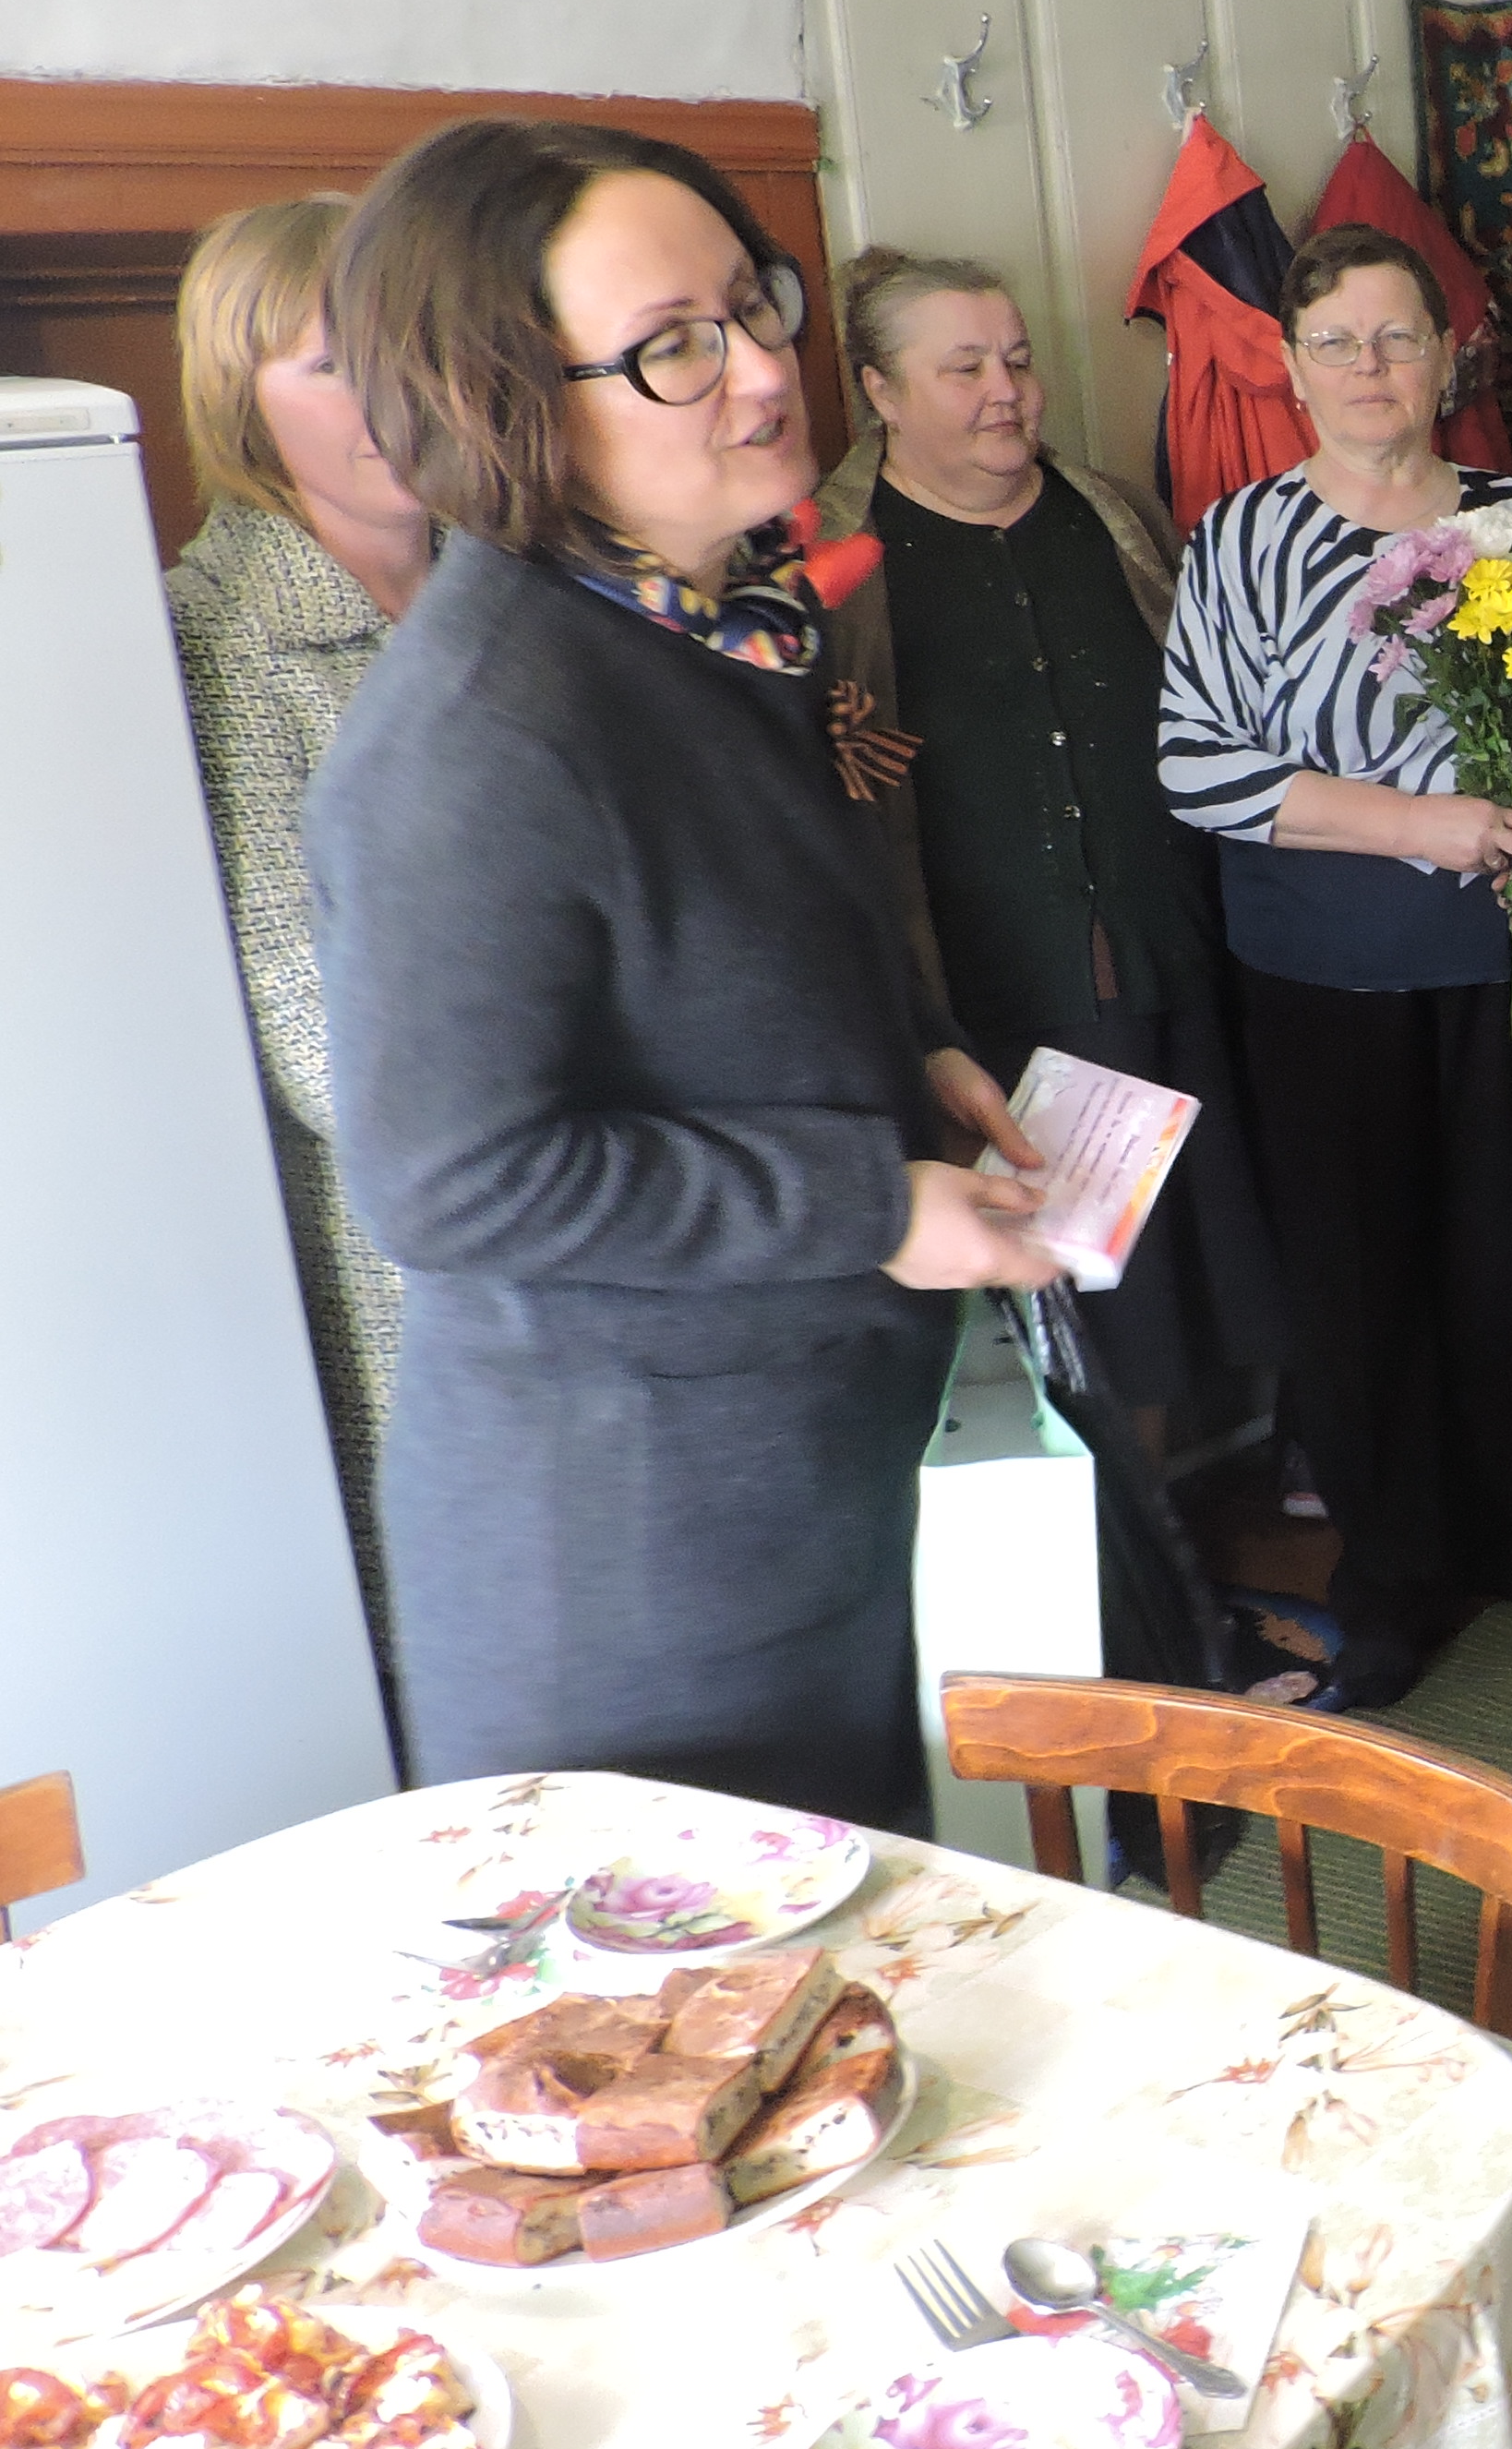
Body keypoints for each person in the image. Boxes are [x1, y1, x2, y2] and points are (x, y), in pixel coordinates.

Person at [309, 118, 1058, 1829]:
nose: (762, 370)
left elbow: (749, 939)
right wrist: (868, 1200)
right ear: (508, 404)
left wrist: (917, 1052)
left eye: (753, 303)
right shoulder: (481, 733)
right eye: (671, 348)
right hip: (636, 1559)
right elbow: (456, 1180)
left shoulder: (716, 617)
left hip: (798, 1464)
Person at [1157, 221, 1512, 1711]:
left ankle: (1490, 1528)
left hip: (1491, 967)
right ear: (1289, 367)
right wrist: (1424, 823)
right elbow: (1195, 765)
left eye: (1398, 336)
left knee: (1488, 1257)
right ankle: (1389, 1581)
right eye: (1336, 341)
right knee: (1356, 1283)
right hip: (1316, 974)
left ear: (1446, 356)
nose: (1369, 366)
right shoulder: (1241, 537)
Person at [813, 248, 1283, 1433]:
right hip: (991, 994)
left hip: (1175, 949)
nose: (1006, 392)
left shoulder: (1111, 517)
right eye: (964, 368)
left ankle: (1211, 1505)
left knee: (1203, 1268)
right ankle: (1114, 1538)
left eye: (1017, 362)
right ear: (879, 390)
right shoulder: (827, 564)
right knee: (1078, 1313)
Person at [162, 194, 438, 1698]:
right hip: (419, 1264)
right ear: (240, 397)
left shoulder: (513, 580)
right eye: (335, 362)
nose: (393, 390)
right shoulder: (213, 636)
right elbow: (320, 1034)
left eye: (411, 342)